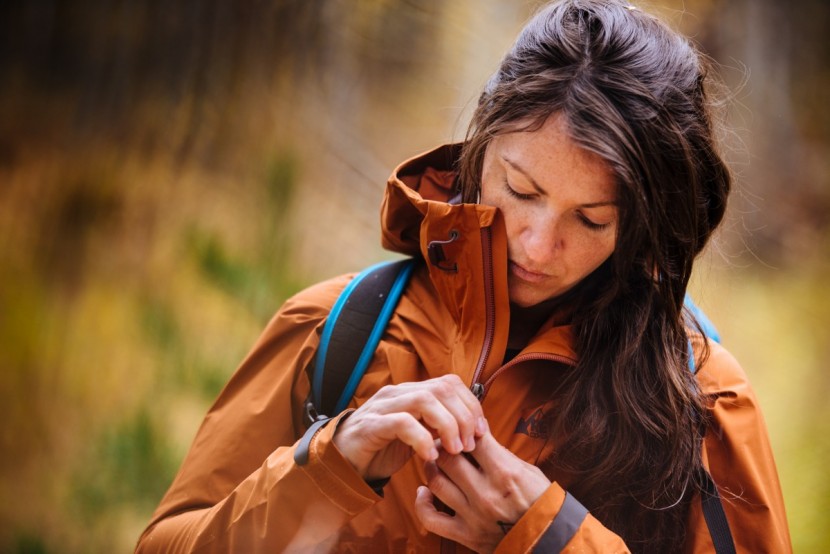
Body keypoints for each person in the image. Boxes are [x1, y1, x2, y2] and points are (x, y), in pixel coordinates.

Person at [135, 1, 791, 552]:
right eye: (520, 188)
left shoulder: (703, 398)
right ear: (479, 147)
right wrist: (327, 464)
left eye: (591, 220)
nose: (538, 244)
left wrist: (548, 537)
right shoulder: (335, 332)